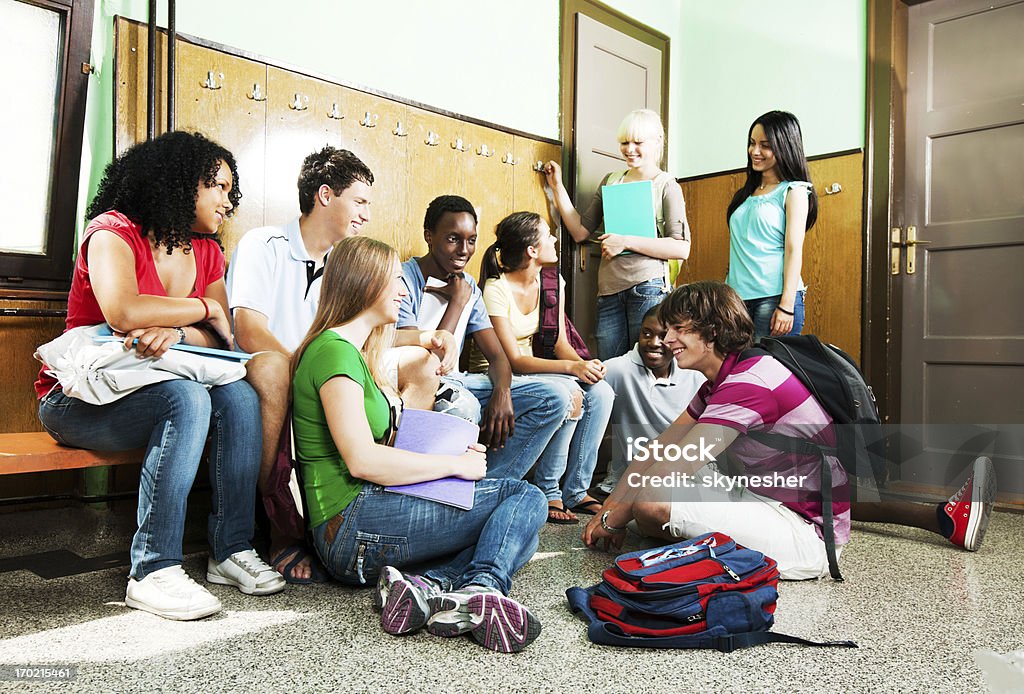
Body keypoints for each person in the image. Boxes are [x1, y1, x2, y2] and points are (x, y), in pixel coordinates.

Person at [583, 281, 996, 579]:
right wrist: (608, 510)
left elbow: (678, 466)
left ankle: (714, 558)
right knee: (649, 503)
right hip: (763, 498)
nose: (667, 339)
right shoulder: (720, 381)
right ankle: (700, 549)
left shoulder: (751, 381)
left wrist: (616, 517)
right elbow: (660, 447)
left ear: (711, 332)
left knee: (652, 502)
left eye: (678, 329)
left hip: (805, 534)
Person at [36, 131, 285, 620]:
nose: (227, 201)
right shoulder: (113, 231)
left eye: (230, 190)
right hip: (78, 398)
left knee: (237, 395)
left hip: (154, 381)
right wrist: (202, 308)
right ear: (176, 182)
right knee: (187, 398)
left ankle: (229, 549)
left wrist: (182, 334)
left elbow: (224, 338)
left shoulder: (206, 250)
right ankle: (152, 568)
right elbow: (124, 310)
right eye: (217, 186)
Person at [291, 235, 546, 653]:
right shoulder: (332, 354)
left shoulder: (350, 352)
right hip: (350, 527)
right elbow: (362, 460)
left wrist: (448, 454)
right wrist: (453, 467)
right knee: (523, 497)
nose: (403, 289)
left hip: (361, 518)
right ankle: (480, 586)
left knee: (518, 532)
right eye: (394, 279)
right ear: (365, 282)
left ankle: (423, 589)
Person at [227, 146, 456, 583]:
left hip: (333, 362)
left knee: (422, 364)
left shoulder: (345, 262)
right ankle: (281, 530)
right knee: (276, 368)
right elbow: (248, 328)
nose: (367, 215)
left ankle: (395, 485)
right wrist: (312, 370)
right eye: (361, 201)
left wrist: (423, 337)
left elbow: (364, 330)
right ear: (326, 195)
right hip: (279, 367)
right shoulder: (264, 244)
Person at [398, 195, 570, 483]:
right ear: (429, 236)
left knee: (554, 397)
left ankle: (490, 485)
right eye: (453, 239)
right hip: (418, 383)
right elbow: (423, 364)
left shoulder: (468, 288)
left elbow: (499, 357)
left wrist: (502, 393)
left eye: (471, 240)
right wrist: (456, 303)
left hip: (456, 379)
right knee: (465, 406)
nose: (464, 250)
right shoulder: (404, 279)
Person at [474, 211, 615, 523]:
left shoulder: (553, 281)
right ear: (531, 251)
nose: (554, 239)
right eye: (548, 234)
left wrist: (584, 365)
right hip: (499, 374)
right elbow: (513, 359)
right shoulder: (496, 289)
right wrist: (570, 370)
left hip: (534, 368)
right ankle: (549, 490)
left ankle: (576, 490)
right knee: (569, 392)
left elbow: (560, 343)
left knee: (601, 392)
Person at [544, 108, 690, 360]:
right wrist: (556, 187)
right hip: (609, 292)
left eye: (638, 142)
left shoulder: (666, 185)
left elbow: (681, 248)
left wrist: (625, 241)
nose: (629, 149)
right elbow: (580, 231)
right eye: (624, 142)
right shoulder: (611, 180)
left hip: (648, 287)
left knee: (645, 365)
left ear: (657, 142)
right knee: (611, 366)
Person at [594, 304, 706, 497]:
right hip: (635, 478)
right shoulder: (618, 370)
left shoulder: (695, 374)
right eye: (646, 333)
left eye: (662, 336)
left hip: (681, 472)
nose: (654, 343)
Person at [726, 110, 818, 341]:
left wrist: (786, 305)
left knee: (765, 374)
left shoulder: (794, 191)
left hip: (774, 298)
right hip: (736, 300)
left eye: (765, 145)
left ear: (785, 146)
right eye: (752, 143)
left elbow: (794, 249)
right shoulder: (745, 195)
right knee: (738, 373)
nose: (755, 152)